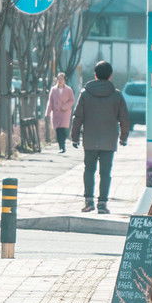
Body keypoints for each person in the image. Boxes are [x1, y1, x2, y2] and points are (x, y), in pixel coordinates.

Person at [71, 60, 129, 214]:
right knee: (105, 173)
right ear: (110, 76)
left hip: (90, 139)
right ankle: (102, 204)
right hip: (109, 141)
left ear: (95, 75)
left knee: (89, 170)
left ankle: (89, 202)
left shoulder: (85, 94)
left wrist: (74, 137)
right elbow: (124, 118)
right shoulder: (117, 95)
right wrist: (123, 137)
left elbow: (78, 117)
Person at [46, 72, 75, 153]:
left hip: (65, 112)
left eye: (61, 79)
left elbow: (72, 100)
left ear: (64, 80)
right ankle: (61, 147)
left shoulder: (69, 89)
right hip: (56, 112)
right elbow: (50, 101)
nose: (60, 80)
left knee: (63, 129)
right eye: (58, 79)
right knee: (58, 130)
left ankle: (63, 145)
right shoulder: (53, 89)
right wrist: (47, 112)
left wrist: (65, 106)